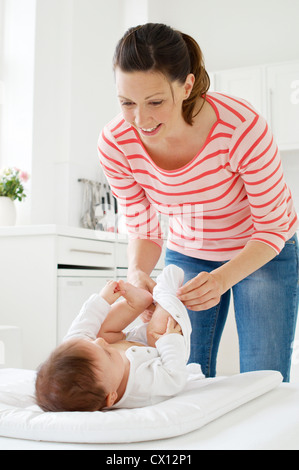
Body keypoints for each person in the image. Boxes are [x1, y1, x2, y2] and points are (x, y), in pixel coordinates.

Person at [97, 23, 299, 382]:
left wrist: (221, 280)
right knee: (182, 372)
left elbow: (272, 228)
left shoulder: (242, 128)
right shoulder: (116, 144)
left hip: (263, 250)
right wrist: (137, 273)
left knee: (263, 377)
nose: (140, 120)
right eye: (127, 103)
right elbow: (143, 226)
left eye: (156, 102)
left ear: (187, 85)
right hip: (189, 249)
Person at [35, 265, 197, 412]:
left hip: (126, 339)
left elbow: (83, 325)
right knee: (158, 330)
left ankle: (136, 303)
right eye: (108, 354)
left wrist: (102, 300)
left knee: (97, 331)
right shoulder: (143, 387)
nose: (101, 342)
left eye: (94, 345)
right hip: (161, 348)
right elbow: (174, 377)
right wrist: (171, 341)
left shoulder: (83, 356)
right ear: (111, 397)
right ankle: (167, 292)